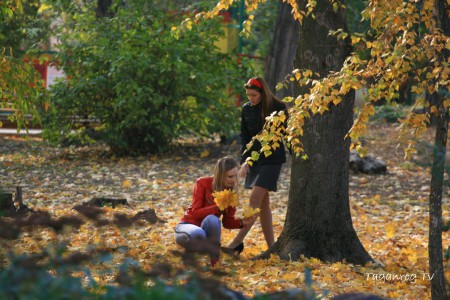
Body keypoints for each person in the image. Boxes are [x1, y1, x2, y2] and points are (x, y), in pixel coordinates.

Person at [225, 77, 288, 254]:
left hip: (272, 160)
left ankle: (235, 243)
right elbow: (244, 137)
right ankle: (272, 248)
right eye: (248, 95)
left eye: (253, 95)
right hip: (254, 160)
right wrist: (244, 161)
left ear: (262, 92)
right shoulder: (246, 109)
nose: (250, 98)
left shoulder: (278, 107)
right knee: (263, 205)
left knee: (254, 200)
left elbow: (287, 135)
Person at [174, 156, 254, 267]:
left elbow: (227, 222)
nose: (234, 180)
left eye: (236, 176)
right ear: (220, 175)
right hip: (186, 228)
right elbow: (195, 213)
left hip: (205, 233)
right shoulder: (202, 183)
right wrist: (217, 207)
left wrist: (242, 222)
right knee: (199, 233)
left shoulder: (231, 194)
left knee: (213, 220)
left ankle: (215, 264)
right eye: (230, 176)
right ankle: (188, 258)